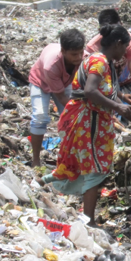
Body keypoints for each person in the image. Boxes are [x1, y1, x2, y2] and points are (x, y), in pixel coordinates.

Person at [44, 25, 131, 225]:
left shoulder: (101, 61)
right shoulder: (99, 62)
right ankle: (89, 220)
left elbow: (104, 94)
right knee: (94, 169)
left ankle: (41, 183)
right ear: (118, 44)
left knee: (89, 167)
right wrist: (118, 107)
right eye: (125, 47)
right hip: (88, 122)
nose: (125, 53)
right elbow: (90, 91)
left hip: (94, 121)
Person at [28, 28, 85, 167]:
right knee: (40, 117)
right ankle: (36, 160)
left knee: (73, 119)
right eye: (74, 54)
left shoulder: (85, 59)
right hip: (40, 81)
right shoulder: (51, 66)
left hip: (64, 82)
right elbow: (61, 97)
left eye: (80, 53)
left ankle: (70, 159)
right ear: (63, 51)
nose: (78, 57)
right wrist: (82, 110)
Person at [84, 9, 131, 114]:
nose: (125, 50)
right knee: (116, 112)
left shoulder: (129, 41)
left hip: (123, 84)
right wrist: (118, 104)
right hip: (103, 86)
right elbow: (92, 89)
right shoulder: (95, 53)